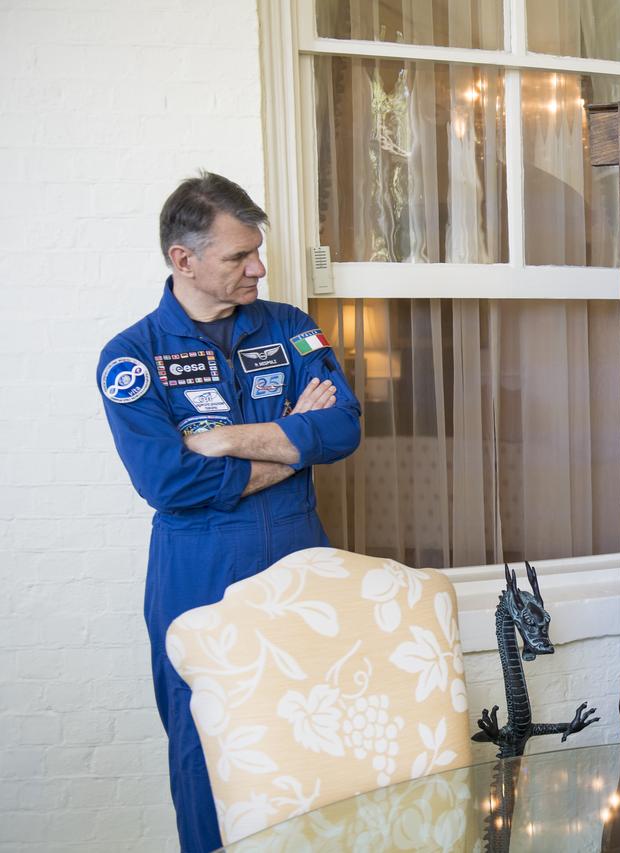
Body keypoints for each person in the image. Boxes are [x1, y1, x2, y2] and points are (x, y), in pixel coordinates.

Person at [96, 172, 361, 852]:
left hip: (303, 564)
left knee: (317, 739)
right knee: (205, 749)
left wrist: (220, 440)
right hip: (197, 575)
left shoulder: (293, 329)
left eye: (258, 250)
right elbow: (167, 479)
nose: (259, 267)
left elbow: (343, 430)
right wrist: (290, 448)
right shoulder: (132, 357)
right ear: (184, 259)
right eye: (239, 255)